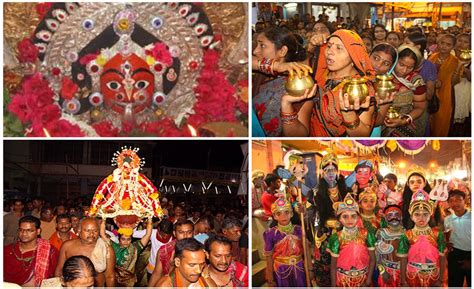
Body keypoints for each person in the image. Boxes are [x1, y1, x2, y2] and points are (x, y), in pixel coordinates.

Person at [283, 29, 378, 137]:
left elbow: (362, 135)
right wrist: (286, 106)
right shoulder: (320, 75)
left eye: (339, 48)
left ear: (353, 57)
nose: (329, 52)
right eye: (329, 46)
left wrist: (349, 114)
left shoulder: (361, 87)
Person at [252, 27, 311, 136]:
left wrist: (287, 106)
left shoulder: (299, 82)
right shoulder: (260, 73)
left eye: (262, 45)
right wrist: (276, 66)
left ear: (282, 51)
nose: (255, 51)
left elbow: (300, 135)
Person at [306, 152, 347, 286]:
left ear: (338, 172)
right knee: (325, 268)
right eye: (326, 170)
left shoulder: (346, 190)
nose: (330, 173)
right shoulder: (315, 192)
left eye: (333, 170)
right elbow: (311, 213)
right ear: (322, 173)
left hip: (343, 234)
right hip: (325, 235)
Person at [397, 190, 446, 287]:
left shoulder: (437, 234)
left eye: (425, 214)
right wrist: (403, 280)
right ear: (411, 217)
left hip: (433, 275)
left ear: (430, 216)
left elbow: (442, 258)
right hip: (412, 275)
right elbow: (403, 259)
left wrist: (441, 279)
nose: (421, 218)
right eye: (417, 214)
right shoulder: (407, 235)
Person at [327, 194, 376, 287]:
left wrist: (368, 280)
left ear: (358, 218)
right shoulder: (336, 238)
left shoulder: (366, 234)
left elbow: (373, 259)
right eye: (345, 216)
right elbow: (333, 266)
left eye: (353, 216)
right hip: (343, 280)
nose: (349, 220)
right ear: (340, 219)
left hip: (363, 280)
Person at [55, 217, 116, 287]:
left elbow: (110, 276)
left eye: (95, 231)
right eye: (87, 230)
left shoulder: (106, 248)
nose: (92, 234)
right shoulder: (67, 246)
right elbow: (59, 269)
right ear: (79, 230)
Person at [382, 45, 428, 137]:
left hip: (406, 120)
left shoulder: (416, 81)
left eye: (410, 67)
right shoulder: (383, 74)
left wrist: (404, 120)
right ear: (395, 60)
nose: (404, 70)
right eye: (401, 64)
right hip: (381, 118)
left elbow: (420, 107)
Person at [4, 216, 59, 286]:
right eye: (21, 230)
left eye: (29, 230)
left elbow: (55, 277)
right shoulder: (8, 250)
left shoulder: (50, 251)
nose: (23, 233)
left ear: (38, 231)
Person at [263, 198, 306, 286]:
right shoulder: (270, 234)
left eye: (286, 212)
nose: (283, 216)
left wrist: (309, 269)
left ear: (291, 214)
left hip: (299, 268)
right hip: (281, 271)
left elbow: (306, 251)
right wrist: (270, 276)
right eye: (279, 213)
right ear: (274, 216)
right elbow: (269, 257)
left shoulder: (299, 230)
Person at [100, 218, 152, 287]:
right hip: (114, 280)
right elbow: (102, 234)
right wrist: (103, 219)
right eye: (123, 239)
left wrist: (150, 219)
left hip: (129, 283)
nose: (126, 242)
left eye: (128, 239)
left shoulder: (135, 248)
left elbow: (148, 235)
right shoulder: (114, 247)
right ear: (119, 239)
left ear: (131, 239)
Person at [428, 34, 463, 136]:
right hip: (430, 93)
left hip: (446, 95)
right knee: (429, 121)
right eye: (442, 43)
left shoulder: (455, 61)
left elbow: (454, 82)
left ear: (453, 47)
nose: (444, 46)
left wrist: (459, 67)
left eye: (448, 44)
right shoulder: (432, 57)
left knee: (442, 121)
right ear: (438, 43)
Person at [148, 219, 194, 287]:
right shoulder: (165, 250)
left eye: (189, 232)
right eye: (181, 232)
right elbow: (156, 274)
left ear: (193, 233)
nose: (185, 236)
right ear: (174, 233)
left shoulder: (199, 251)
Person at [444, 190, 471, 287]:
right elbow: (447, 236)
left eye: (458, 200)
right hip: (455, 255)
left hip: (470, 254)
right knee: (454, 283)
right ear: (448, 203)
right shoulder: (447, 219)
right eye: (451, 201)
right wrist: (447, 242)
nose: (455, 203)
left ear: (465, 200)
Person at [375, 205, 405, 287]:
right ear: (385, 218)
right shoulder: (381, 233)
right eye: (390, 215)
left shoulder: (406, 233)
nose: (393, 217)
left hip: (404, 272)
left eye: (397, 215)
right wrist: (382, 271)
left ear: (401, 217)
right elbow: (377, 256)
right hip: (387, 271)